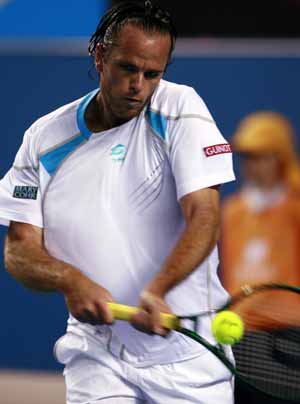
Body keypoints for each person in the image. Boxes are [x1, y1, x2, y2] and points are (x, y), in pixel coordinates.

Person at [0, 1, 235, 403]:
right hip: (98, 351)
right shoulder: (44, 139)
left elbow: (204, 214)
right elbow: (19, 251)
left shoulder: (180, 109)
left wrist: (158, 289)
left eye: (152, 74)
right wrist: (69, 279)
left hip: (189, 354)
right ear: (100, 55)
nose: (138, 85)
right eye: (128, 68)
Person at [220, 111, 300, 404]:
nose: (250, 166)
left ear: (280, 158)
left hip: (290, 338)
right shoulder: (231, 211)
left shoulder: (296, 208)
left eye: (260, 157)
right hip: (241, 336)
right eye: (246, 157)